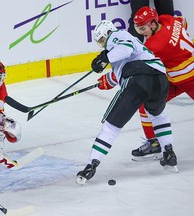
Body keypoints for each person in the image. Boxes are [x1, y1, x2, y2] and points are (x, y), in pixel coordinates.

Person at [76, 20, 178, 185]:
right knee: (157, 114)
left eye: (102, 40)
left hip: (138, 78)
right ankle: (169, 153)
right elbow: (126, 64)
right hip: (159, 78)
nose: (103, 45)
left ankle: (91, 165)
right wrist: (107, 80)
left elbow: (125, 50)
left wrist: (105, 57)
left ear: (108, 33)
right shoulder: (131, 43)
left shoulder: (117, 36)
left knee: (111, 126)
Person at [130, 6, 194, 161]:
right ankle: (154, 143)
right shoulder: (167, 19)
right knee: (146, 103)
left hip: (190, 77)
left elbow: (139, 65)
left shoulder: (156, 45)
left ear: (153, 24)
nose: (141, 33)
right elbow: (183, 23)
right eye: (138, 29)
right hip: (175, 79)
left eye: (143, 28)